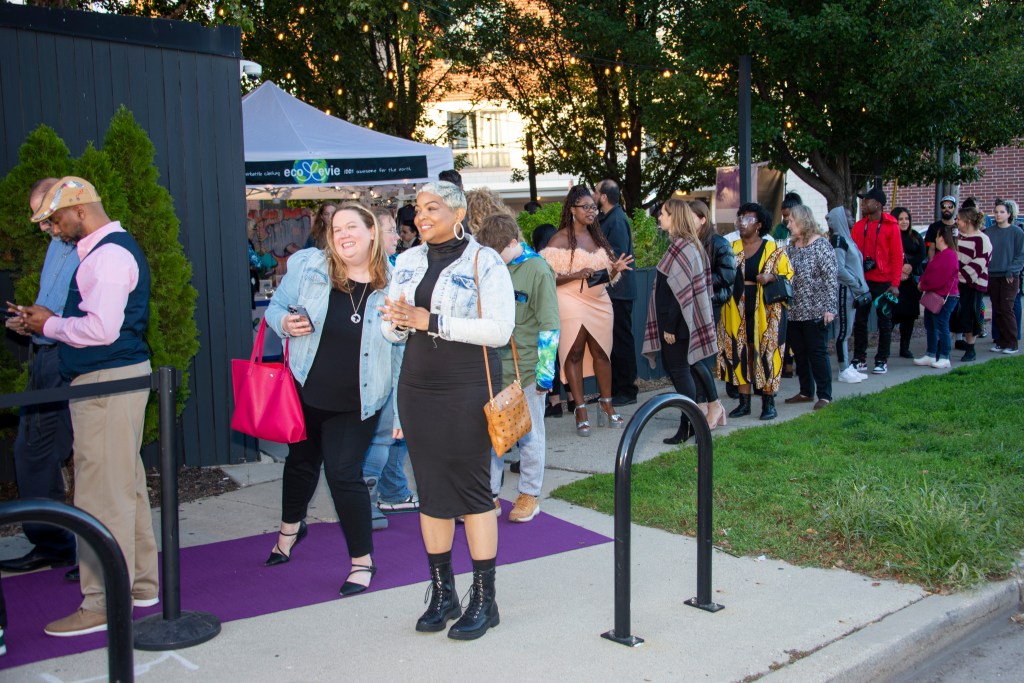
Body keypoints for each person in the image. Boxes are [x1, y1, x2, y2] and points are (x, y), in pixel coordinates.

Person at [17, 176, 158, 637]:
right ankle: (138, 586)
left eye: (54, 219)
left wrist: (51, 324)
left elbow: (101, 330)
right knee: (125, 487)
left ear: (79, 210)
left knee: (102, 495)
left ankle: (103, 601)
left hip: (106, 381)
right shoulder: (106, 251)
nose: (51, 230)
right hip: (113, 379)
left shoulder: (109, 254)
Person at [380, 180, 515, 640]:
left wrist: (430, 321)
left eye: (432, 207)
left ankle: (485, 598)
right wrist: (395, 322)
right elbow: (394, 334)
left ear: (458, 213)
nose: (421, 216)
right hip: (417, 388)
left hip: (467, 387)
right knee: (432, 489)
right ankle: (442, 593)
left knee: (474, 491)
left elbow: (499, 330)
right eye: (417, 208)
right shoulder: (407, 262)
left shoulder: (485, 261)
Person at [264, 203, 402, 599]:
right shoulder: (310, 268)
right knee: (300, 464)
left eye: (350, 227)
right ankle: (289, 530)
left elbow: (402, 352)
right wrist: (284, 323)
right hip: (304, 389)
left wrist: (402, 409)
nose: (341, 234)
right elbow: (276, 309)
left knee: (343, 474)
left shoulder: (395, 283)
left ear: (371, 231)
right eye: (335, 228)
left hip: (358, 400)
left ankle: (362, 561)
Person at [0, 178, 78, 579]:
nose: (43, 226)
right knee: (33, 452)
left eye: (46, 216)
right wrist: (29, 321)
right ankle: (56, 544)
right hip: (45, 354)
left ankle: (65, 545)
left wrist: (47, 325)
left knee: (42, 451)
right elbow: (52, 305)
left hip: (66, 358)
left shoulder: (94, 247)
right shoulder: (56, 245)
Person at [474, 213, 560, 523]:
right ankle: (489, 495)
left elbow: (550, 325)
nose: (494, 260)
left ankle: (529, 494)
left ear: (513, 242)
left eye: (499, 253)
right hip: (492, 368)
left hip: (526, 370)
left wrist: (545, 374)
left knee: (529, 435)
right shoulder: (489, 267)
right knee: (492, 434)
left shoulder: (538, 270)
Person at [540, 185, 634, 437]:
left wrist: (615, 270)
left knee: (602, 353)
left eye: (594, 206)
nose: (592, 211)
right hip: (570, 300)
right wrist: (574, 275)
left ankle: (606, 404)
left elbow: (603, 277)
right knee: (575, 352)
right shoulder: (559, 239)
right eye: (586, 207)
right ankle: (580, 409)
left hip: (600, 302)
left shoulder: (598, 237)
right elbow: (546, 277)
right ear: (573, 210)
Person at [641, 199, 726, 444]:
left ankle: (688, 425)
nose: (659, 217)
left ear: (674, 217)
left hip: (677, 325)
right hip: (677, 323)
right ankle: (692, 422)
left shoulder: (684, 247)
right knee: (682, 371)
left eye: (663, 214)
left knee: (680, 373)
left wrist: (670, 327)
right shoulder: (685, 245)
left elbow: (682, 294)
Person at [719, 202, 794, 421]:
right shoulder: (731, 249)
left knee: (767, 352)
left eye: (748, 219)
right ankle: (744, 403)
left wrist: (771, 277)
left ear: (759, 225)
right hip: (737, 310)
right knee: (741, 351)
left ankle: (768, 402)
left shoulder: (773, 249)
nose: (743, 223)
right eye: (740, 218)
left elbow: (789, 276)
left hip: (767, 311)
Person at [783, 206, 838, 410]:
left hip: (815, 310)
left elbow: (831, 279)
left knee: (817, 352)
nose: (788, 225)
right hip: (795, 310)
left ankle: (825, 395)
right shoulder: (791, 246)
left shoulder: (821, 245)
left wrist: (829, 308)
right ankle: (806, 391)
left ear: (802, 221)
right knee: (800, 352)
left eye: (791, 221)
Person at [594, 180, 639, 406]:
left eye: (595, 191)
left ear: (603, 197)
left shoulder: (617, 220)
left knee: (621, 341)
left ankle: (628, 390)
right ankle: (611, 390)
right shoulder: (608, 219)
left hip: (619, 291)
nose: (593, 194)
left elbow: (618, 260)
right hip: (610, 290)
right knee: (610, 342)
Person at [850, 187, 903, 375]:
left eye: (867, 200)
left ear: (878, 204)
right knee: (860, 321)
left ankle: (882, 359)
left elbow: (897, 257)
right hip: (863, 281)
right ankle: (859, 358)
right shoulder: (858, 226)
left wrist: (895, 284)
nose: (863, 203)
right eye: (863, 200)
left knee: (885, 321)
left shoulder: (891, 226)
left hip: (884, 282)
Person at [690, 199, 736, 403]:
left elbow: (727, 275)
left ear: (703, 219)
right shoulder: (689, 242)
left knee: (700, 357)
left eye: (691, 218)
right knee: (693, 357)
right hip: (693, 304)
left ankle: (708, 402)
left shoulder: (719, 243)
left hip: (711, 302)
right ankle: (699, 401)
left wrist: (699, 282)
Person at [825, 207, 870, 383]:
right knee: (843, 330)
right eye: (848, 216)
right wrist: (856, 283)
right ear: (840, 220)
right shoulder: (838, 240)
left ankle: (847, 367)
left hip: (852, 291)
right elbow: (838, 268)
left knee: (848, 329)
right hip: (845, 291)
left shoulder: (847, 239)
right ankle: (843, 369)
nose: (852, 219)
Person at [914, 223, 960, 369]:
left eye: (937, 236)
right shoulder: (943, 255)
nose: (935, 238)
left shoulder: (949, 255)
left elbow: (938, 278)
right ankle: (931, 354)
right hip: (936, 295)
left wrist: (923, 285)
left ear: (942, 238)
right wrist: (923, 282)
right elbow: (930, 273)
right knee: (932, 324)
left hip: (945, 296)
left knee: (941, 324)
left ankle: (945, 356)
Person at [949, 206, 992, 361]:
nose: (956, 222)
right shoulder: (958, 237)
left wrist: (961, 275)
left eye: (958, 219)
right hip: (956, 283)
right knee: (956, 314)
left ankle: (971, 349)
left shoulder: (982, 239)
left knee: (970, 314)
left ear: (967, 221)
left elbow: (980, 262)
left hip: (973, 284)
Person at [986, 198, 1024, 354]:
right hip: (993, 275)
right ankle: (1000, 341)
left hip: (1009, 276)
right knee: (997, 308)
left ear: (1009, 214)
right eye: (996, 212)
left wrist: (1011, 270)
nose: (998, 215)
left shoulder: (1017, 232)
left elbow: (1021, 255)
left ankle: (1012, 342)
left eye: (1002, 212)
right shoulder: (988, 232)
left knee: (1007, 308)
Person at [891, 207, 926, 359]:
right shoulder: (891, 235)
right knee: (891, 316)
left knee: (909, 317)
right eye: (900, 219)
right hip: (895, 283)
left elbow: (922, 254)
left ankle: (904, 348)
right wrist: (899, 273)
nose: (904, 222)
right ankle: (884, 348)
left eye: (907, 219)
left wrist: (909, 267)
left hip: (911, 282)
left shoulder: (915, 236)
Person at [925, 195, 958, 260]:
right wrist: (932, 266)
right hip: (940, 262)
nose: (947, 209)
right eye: (944, 206)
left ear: (954, 208)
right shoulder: (934, 227)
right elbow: (931, 249)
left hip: (957, 262)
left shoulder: (959, 226)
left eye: (950, 206)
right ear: (940, 208)